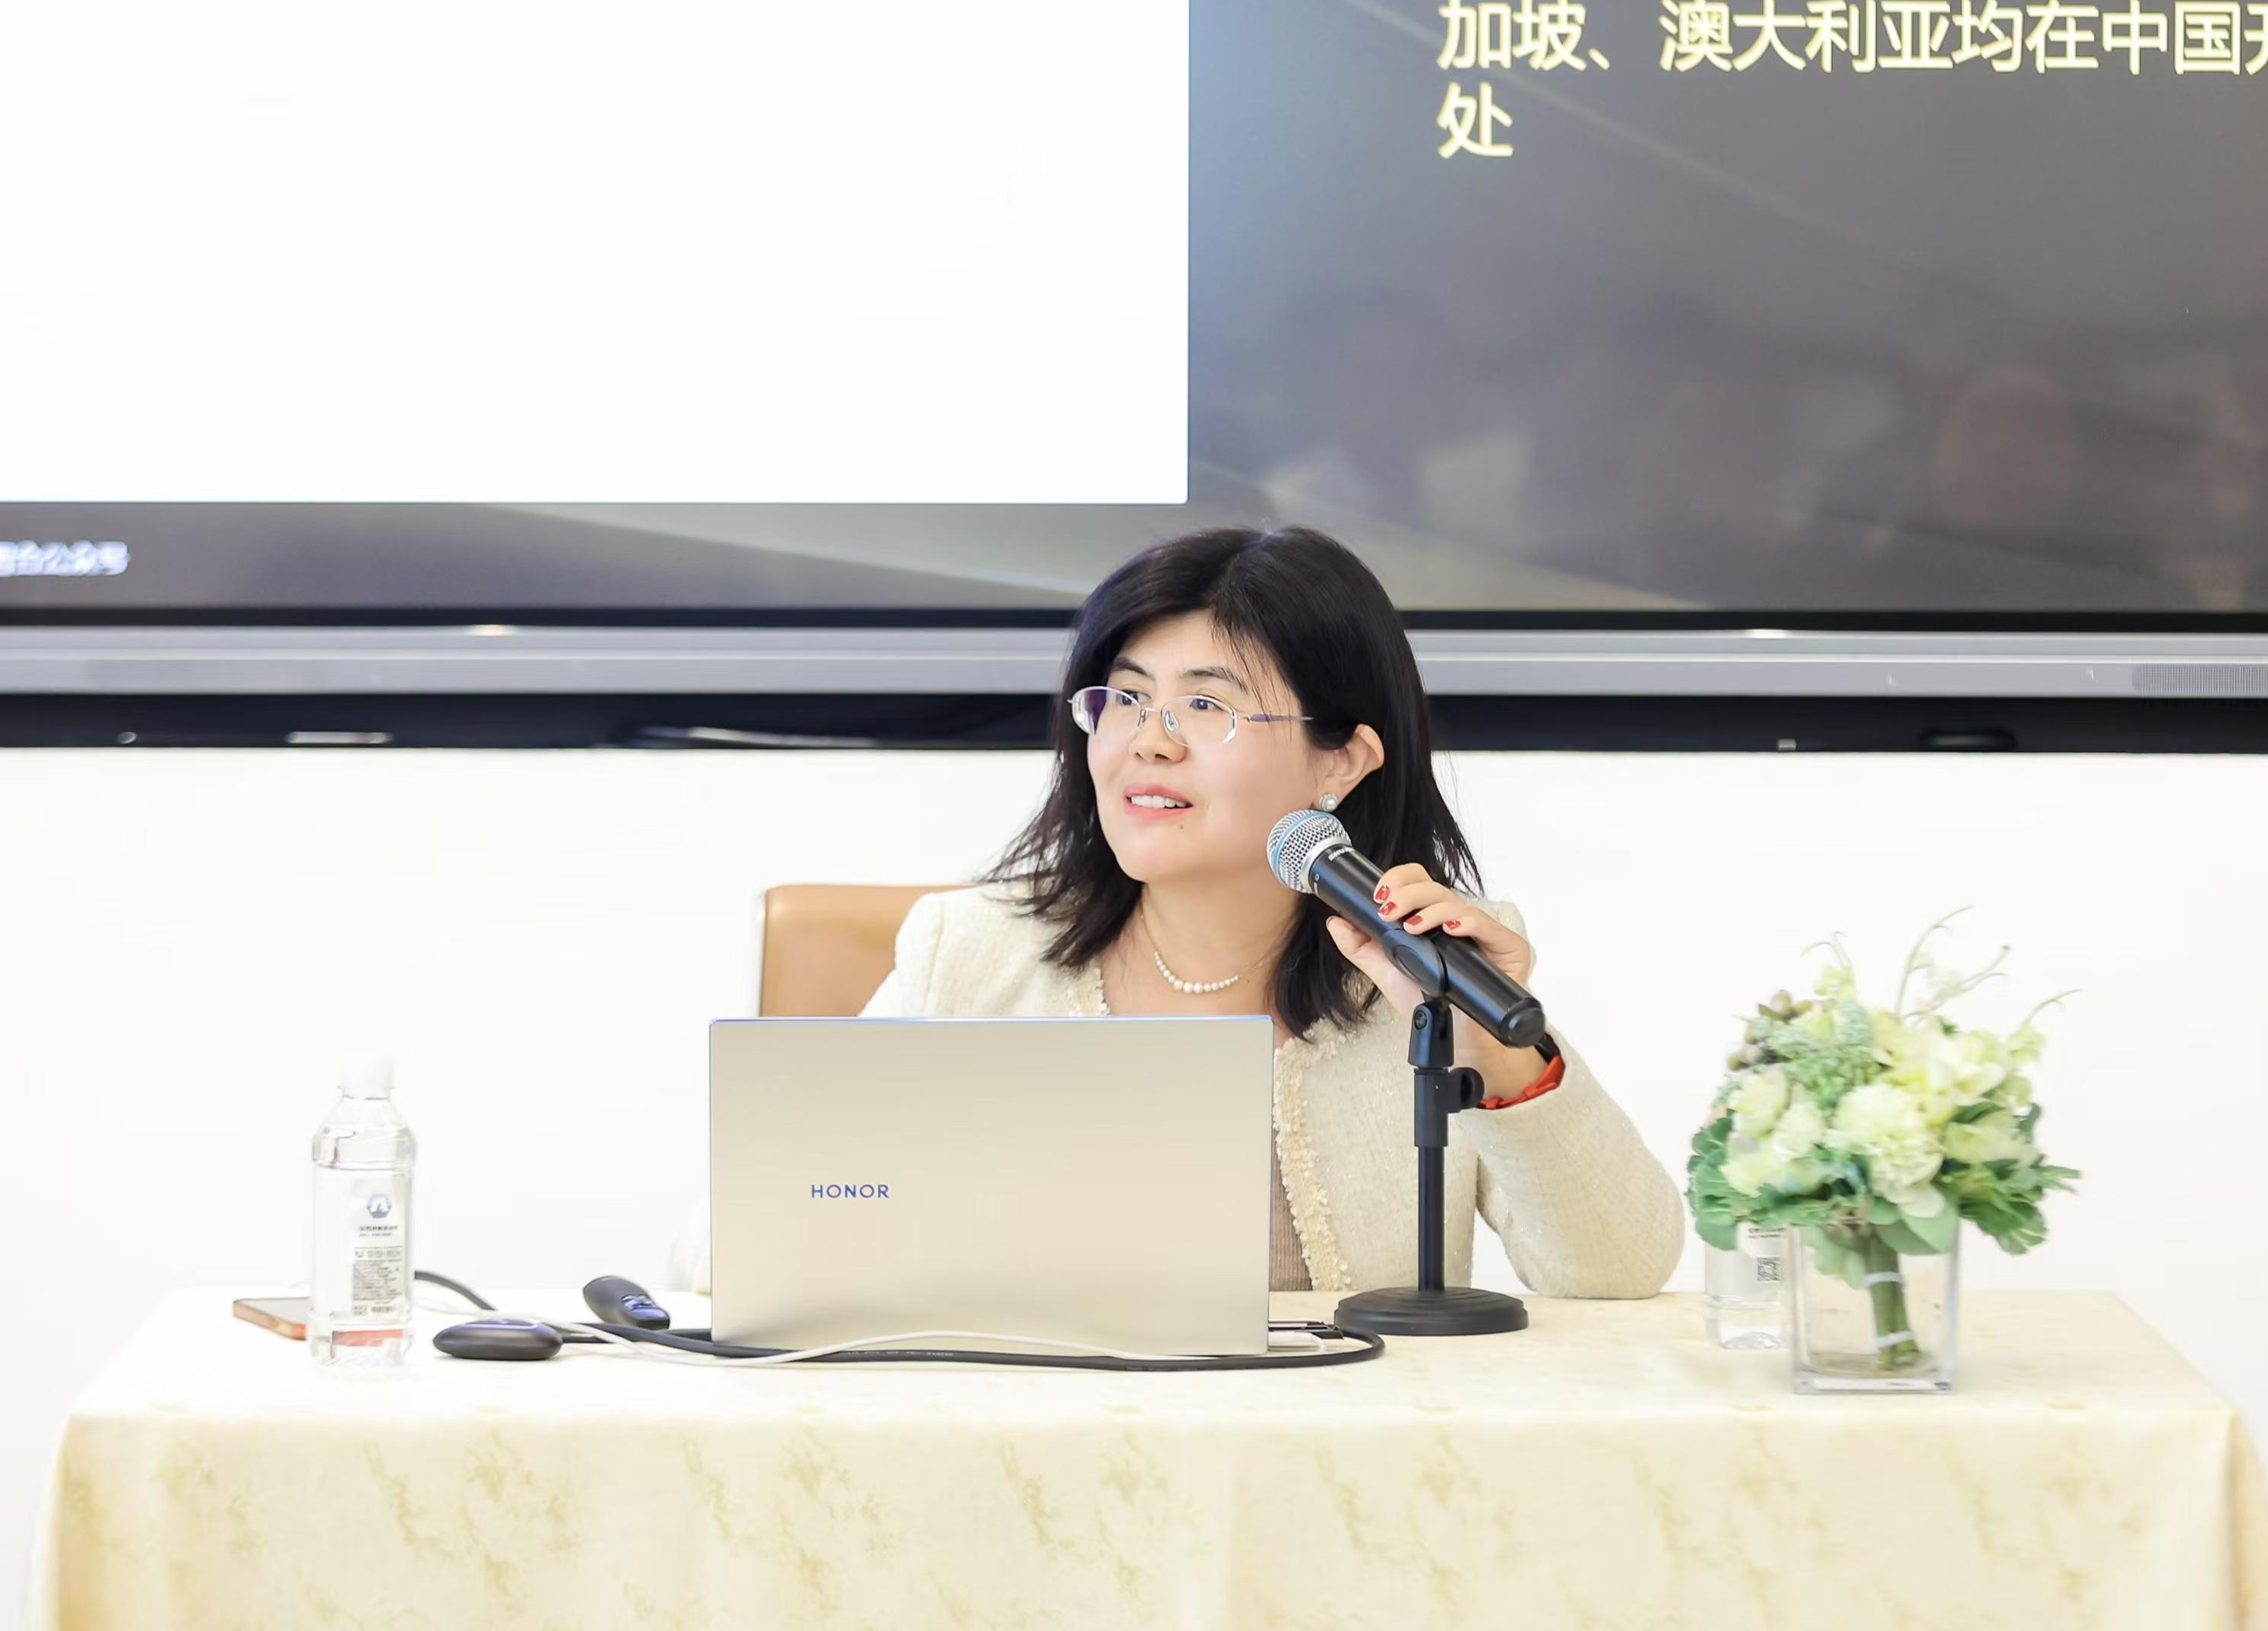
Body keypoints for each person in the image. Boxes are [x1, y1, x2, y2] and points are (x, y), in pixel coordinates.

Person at [675, 526, 1684, 1297]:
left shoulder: (1422, 965)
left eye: (1208, 705)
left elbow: (1621, 1272)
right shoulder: (972, 953)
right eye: (1122, 698)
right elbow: (719, 1256)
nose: (1148, 742)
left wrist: (1492, 1050)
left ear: (1340, 759)